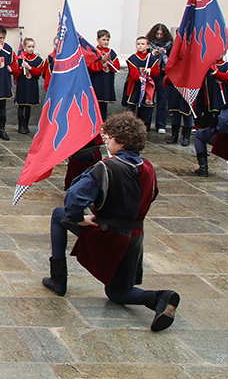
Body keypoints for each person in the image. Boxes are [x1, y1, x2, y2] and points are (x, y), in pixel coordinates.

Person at [41, 112, 180, 332]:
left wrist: (79, 219)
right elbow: (152, 195)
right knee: (116, 293)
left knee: (60, 214)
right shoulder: (149, 167)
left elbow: (73, 197)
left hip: (109, 233)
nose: (105, 139)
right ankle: (160, 298)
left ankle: (58, 280)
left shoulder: (105, 168)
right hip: (135, 238)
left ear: (122, 142)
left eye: (110, 137)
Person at [191, 56, 228, 174]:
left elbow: (227, 77)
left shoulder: (227, 66)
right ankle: (203, 166)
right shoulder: (207, 65)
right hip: (207, 101)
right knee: (204, 129)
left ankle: (220, 147)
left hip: (220, 100)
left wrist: (218, 74)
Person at [121, 36, 161, 130]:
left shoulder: (152, 59)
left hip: (147, 87)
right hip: (134, 86)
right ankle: (129, 127)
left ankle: (144, 127)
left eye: (143, 44)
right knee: (131, 106)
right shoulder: (133, 58)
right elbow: (133, 72)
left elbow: (156, 72)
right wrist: (139, 77)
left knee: (146, 108)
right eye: (138, 44)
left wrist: (150, 71)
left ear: (147, 46)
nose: (140, 46)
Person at [12, 36, 46, 136]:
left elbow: (39, 72)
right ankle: (20, 125)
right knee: (21, 105)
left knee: (29, 106)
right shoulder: (20, 59)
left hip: (31, 85)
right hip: (23, 85)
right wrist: (20, 68)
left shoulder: (38, 60)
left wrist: (29, 67)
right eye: (29, 46)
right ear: (24, 47)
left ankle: (26, 125)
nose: (31, 49)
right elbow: (16, 73)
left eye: (32, 47)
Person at [146, 24, 174, 133]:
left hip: (163, 74)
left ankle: (161, 125)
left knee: (162, 101)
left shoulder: (170, 45)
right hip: (152, 74)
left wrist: (165, 55)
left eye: (161, 34)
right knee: (149, 100)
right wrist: (153, 54)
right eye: (157, 34)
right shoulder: (149, 44)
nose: (159, 36)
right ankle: (146, 123)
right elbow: (145, 57)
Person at [87, 29, 119, 119]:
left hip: (106, 81)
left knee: (104, 105)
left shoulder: (111, 52)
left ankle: (103, 123)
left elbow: (117, 67)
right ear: (98, 39)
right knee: (95, 104)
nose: (106, 42)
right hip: (97, 81)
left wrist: (110, 62)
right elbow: (90, 67)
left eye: (107, 40)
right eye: (103, 40)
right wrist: (102, 61)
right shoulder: (93, 52)